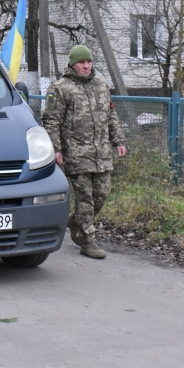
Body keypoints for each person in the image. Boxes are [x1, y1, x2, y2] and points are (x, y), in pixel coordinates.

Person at [42, 45, 127, 259]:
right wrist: (56, 148)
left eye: (89, 62)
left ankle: (75, 221)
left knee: (102, 195)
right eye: (82, 62)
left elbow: (111, 116)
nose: (86, 66)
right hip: (76, 154)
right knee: (85, 200)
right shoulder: (60, 88)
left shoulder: (101, 85)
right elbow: (51, 120)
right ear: (73, 64)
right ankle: (87, 240)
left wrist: (118, 141)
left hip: (101, 154)